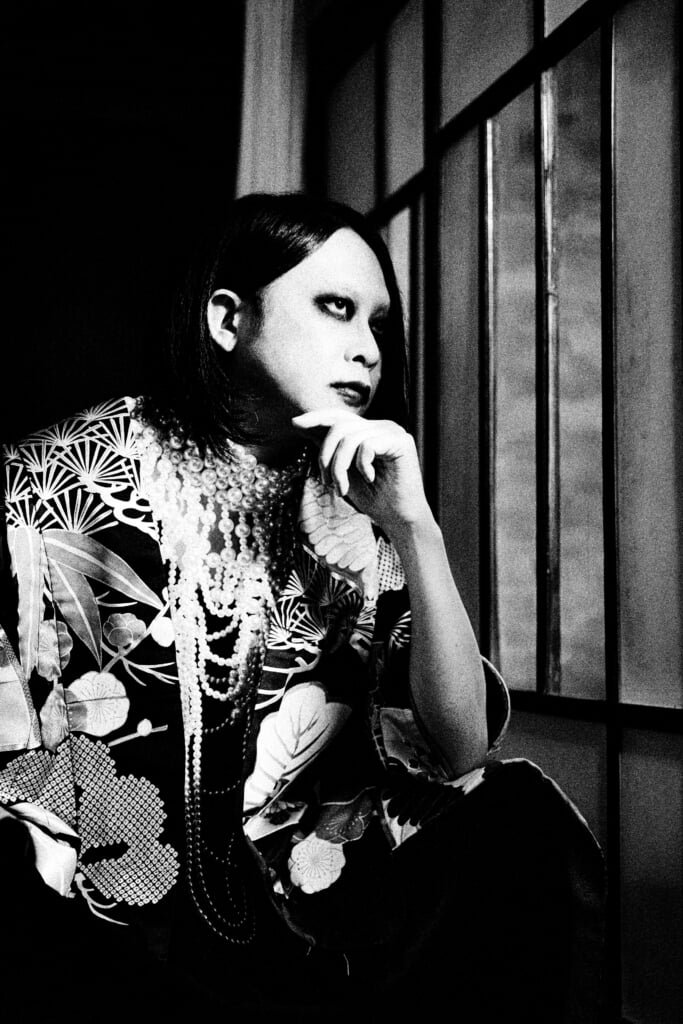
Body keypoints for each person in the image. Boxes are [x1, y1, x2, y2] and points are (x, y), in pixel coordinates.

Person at [0, 193, 604, 1022]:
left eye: (377, 325)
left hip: (306, 909)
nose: (366, 350)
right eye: (334, 308)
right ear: (228, 320)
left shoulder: (348, 507)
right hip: (97, 908)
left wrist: (413, 529)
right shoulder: (65, 476)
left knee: (516, 818)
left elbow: (461, 744)